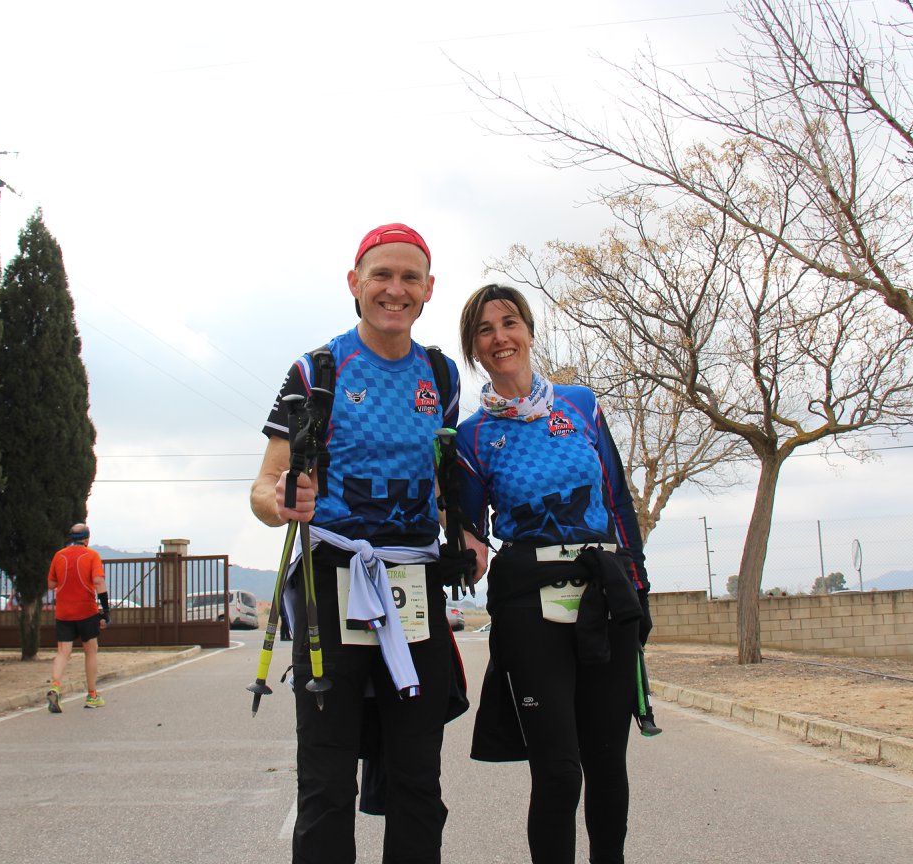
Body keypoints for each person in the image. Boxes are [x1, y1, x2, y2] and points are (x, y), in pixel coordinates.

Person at [250, 223, 464, 864]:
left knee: (417, 779)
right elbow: (263, 490)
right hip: (331, 575)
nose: (395, 290)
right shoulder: (316, 370)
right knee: (326, 779)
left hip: (414, 580)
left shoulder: (441, 375)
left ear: (428, 289)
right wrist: (283, 500)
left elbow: (444, 480)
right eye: (382, 276)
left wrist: (466, 532)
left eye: (409, 278)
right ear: (355, 282)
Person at [455, 284, 651, 864]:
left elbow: (616, 498)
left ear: (529, 330)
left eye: (509, 323)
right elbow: (470, 529)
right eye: (484, 330)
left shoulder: (582, 404)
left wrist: (638, 584)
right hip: (528, 604)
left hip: (604, 591)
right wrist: (464, 547)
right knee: (559, 772)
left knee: (607, 765)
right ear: (474, 349)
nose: (500, 337)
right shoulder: (472, 436)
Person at [45, 522, 110, 712]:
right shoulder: (92, 555)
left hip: (64, 612)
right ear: (87, 539)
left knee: (63, 652)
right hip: (86, 611)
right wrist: (106, 610)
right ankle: (92, 695)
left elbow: (51, 584)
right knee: (91, 650)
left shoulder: (59, 555)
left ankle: (55, 687)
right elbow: (98, 582)